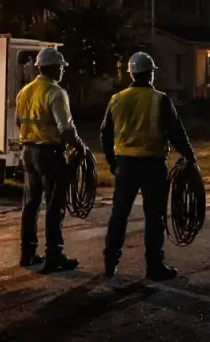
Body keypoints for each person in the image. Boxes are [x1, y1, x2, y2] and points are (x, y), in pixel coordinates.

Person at [101, 51, 198, 281]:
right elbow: (176, 132)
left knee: (119, 215)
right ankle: (154, 267)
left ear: (132, 73)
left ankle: (110, 262)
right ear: (150, 74)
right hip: (153, 166)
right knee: (154, 217)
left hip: (126, 165)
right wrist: (189, 157)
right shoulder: (160, 99)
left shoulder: (117, 99)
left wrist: (113, 162)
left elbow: (105, 133)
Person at [16, 47, 85, 272]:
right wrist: (80, 147)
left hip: (28, 152)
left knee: (31, 204)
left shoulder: (24, 92)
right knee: (55, 205)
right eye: (61, 68)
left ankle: (28, 254)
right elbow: (66, 129)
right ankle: (54, 255)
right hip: (49, 154)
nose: (63, 72)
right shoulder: (56, 92)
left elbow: (20, 122)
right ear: (53, 68)